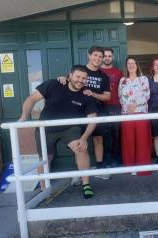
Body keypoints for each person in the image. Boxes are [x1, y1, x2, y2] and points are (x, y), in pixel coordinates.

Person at [19, 65, 98, 199]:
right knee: (45, 158)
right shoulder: (54, 84)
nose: (80, 80)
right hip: (46, 129)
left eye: (84, 78)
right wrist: (24, 117)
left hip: (69, 129)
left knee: (81, 149)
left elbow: (93, 120)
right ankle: (43, 189)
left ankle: (86, 185)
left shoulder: (86, 95)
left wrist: (84, 138)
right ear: (70, 76)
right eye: (78, 76)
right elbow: (31, 99)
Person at [58, 45, 111, 180]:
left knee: (98, 139)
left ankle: (99, 168)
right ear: (89, 55)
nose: (98, 58)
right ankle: (79, 173)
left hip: (98, 110)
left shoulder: (104, 76)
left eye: (100, 56)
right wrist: (61, 79)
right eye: (95, 55)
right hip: (78, 111)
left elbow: (107, 97)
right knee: (78, 141)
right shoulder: (80, 70)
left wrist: (93, 94)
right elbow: (67, 81)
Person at [118, 57, 152, 175]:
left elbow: (146, 94)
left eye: (133, 63)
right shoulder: (122, 80)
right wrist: (127, 107)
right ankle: (130, 168)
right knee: (129, 142)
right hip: (127, 114)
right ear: (126, 66)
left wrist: (135, 104)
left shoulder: (143, 79)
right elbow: (120, 97)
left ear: (137, 65)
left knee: (142, 141)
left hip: (141, 112)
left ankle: (142, 169)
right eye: (128, 63)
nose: (131, 65)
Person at [101, 48, 124, 167]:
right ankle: (106, 160)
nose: (107, 58)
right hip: (101, 107)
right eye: (105, 56)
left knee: (116, 134)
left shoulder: (119, 72)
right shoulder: (97, 71)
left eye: (109, 56)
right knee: (104, 136)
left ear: (113, 58)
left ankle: (117, 160)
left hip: (116, 106)